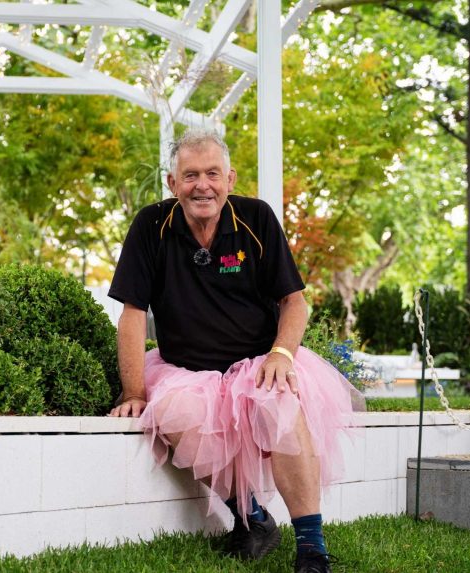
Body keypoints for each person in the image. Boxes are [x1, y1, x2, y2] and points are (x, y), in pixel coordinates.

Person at [107, 129, 358, 573]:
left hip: (260, 360)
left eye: (212, 174)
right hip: (186, 367)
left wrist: (282, 353)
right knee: (171, 413)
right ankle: (253, 521)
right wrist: (134, 393)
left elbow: (294, 302)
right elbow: (132, 313)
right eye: (190, 175)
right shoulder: (151, 225)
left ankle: (312, 549)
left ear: (230, 179)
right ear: (172, 183)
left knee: (280, 407)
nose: (201, 185)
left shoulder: (256, 219)